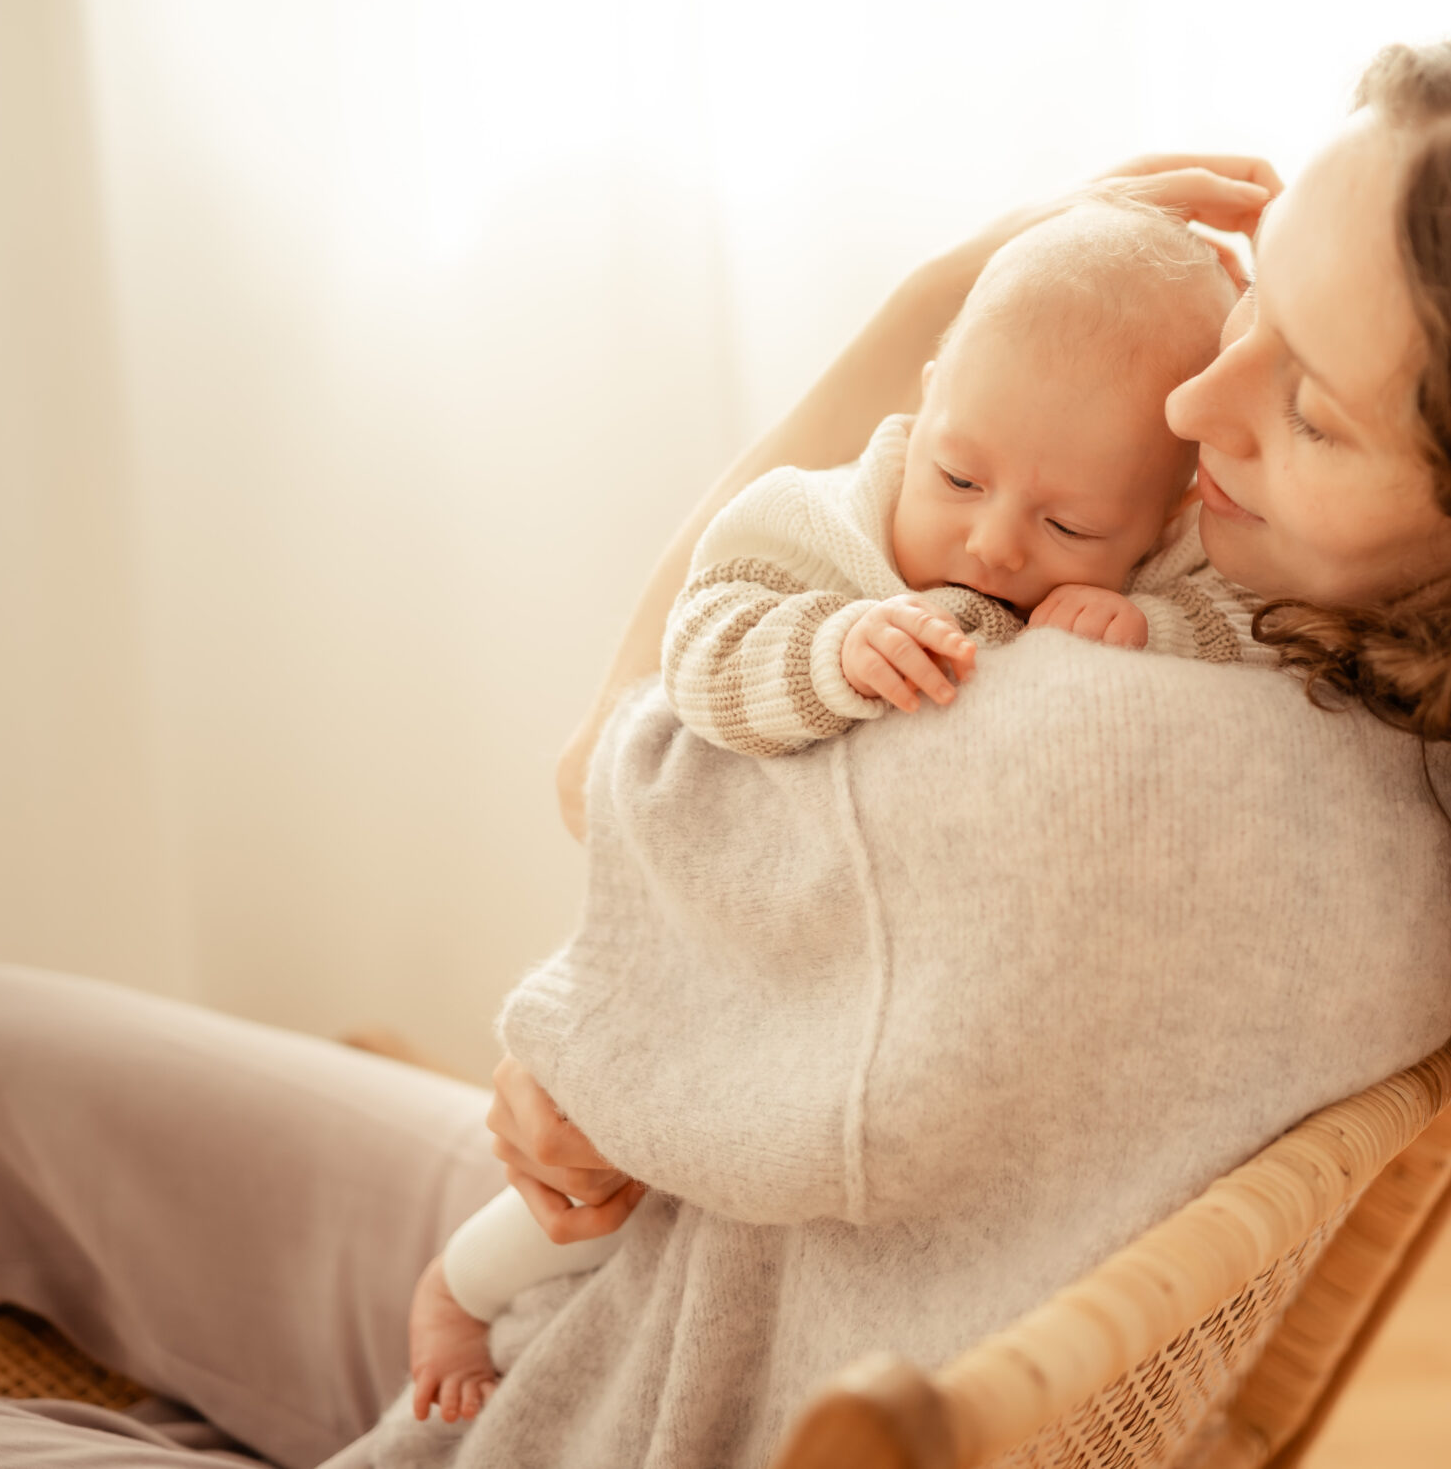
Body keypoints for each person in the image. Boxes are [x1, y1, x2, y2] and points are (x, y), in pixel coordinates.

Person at [0, 17, 1451, 1467]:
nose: (1190, 407)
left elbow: (614, 759)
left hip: (593, 1396)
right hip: (671, 1257)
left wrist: (935, 325)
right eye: (1254, 288)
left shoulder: (1110, 765)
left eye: (1303, 402)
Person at [404, 192, 1266, 1421]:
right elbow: (701, 656)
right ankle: (457, 1286)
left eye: (1073, 523)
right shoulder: (822, 522)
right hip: (706, 960)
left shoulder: (1179, 580)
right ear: (921, 407)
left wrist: (1145, 627)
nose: (994, 543)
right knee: (569, 1176)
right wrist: (827, 648)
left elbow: (1228, 631)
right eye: (958, 474)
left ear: (1175, 511)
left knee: (627, 1172)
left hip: (807, 1039)